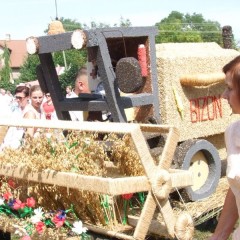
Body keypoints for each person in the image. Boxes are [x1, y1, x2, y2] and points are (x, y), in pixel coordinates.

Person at [209, 55, 240, 240]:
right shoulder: (233, 133)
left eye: (229, 88)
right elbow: (236, 186)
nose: (223, 95)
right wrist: (219, 235)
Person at [0, 86, 31, 150]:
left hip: (21, 147)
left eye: (20, 98)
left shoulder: (30, 112)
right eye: (16, 97)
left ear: (28, 97)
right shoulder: (15, 110)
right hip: (9, 145)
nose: (17, 100)